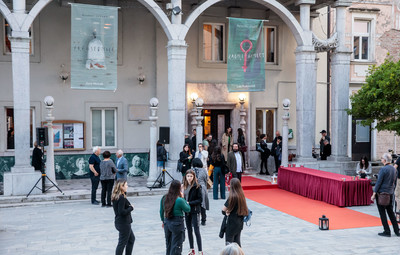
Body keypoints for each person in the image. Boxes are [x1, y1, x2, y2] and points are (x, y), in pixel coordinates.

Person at [370, 153, 400, 237]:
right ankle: (397, 231)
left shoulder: (383, 169)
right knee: (391, 213)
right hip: (390, 193)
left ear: (385, 160)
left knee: (382, 213)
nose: (381, 159)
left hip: (382, 193)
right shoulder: (394, 169)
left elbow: (379, 182)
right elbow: (394, 182)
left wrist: (374, 193)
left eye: (382, 158)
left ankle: (387, 231)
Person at [160, 180, 191, 255]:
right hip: (177, 223)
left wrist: (163, 221)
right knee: (176, 245)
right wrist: (183, 198)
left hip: (167, 222)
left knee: (169, 244)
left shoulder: (164, 197)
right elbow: (188, 209)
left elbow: (161, 211)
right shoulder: (179, 200)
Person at [222, 178, 248, 247]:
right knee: (237, 243)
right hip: (239, 222)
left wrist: (226, 213)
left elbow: (223, 210)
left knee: (229, 245)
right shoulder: (242, 196)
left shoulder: (232, 197)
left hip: (231, 224)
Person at [183, 169, 203, 255]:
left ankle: (200, 250)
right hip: (187, 211)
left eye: (191, 176)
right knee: (189, 230)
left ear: (194, 177)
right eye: (188, 176)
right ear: (185, 177)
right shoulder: (184, 186)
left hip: (194, 210)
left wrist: (189, 203)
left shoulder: (197, 186)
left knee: (196, 230)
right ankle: (191, 249)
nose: (189, 178)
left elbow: (200, 200)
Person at [112, 180, 135, 255]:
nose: (127, 186)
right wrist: (131, 208)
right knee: (122, 243)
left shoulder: (117, 196)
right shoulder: (121, 198)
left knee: (131, 239)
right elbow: (121, 212)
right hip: (123, 223)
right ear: (121, 187)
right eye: (126, 185)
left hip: (121, 223)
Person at [192, 158, 209, 226]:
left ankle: (194, 220)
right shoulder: (203, 170)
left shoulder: (191, 170)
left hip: (193, 188)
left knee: (194, 203)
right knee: (203, 204)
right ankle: (203, 220)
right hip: (202, 188)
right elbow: (207, 179)